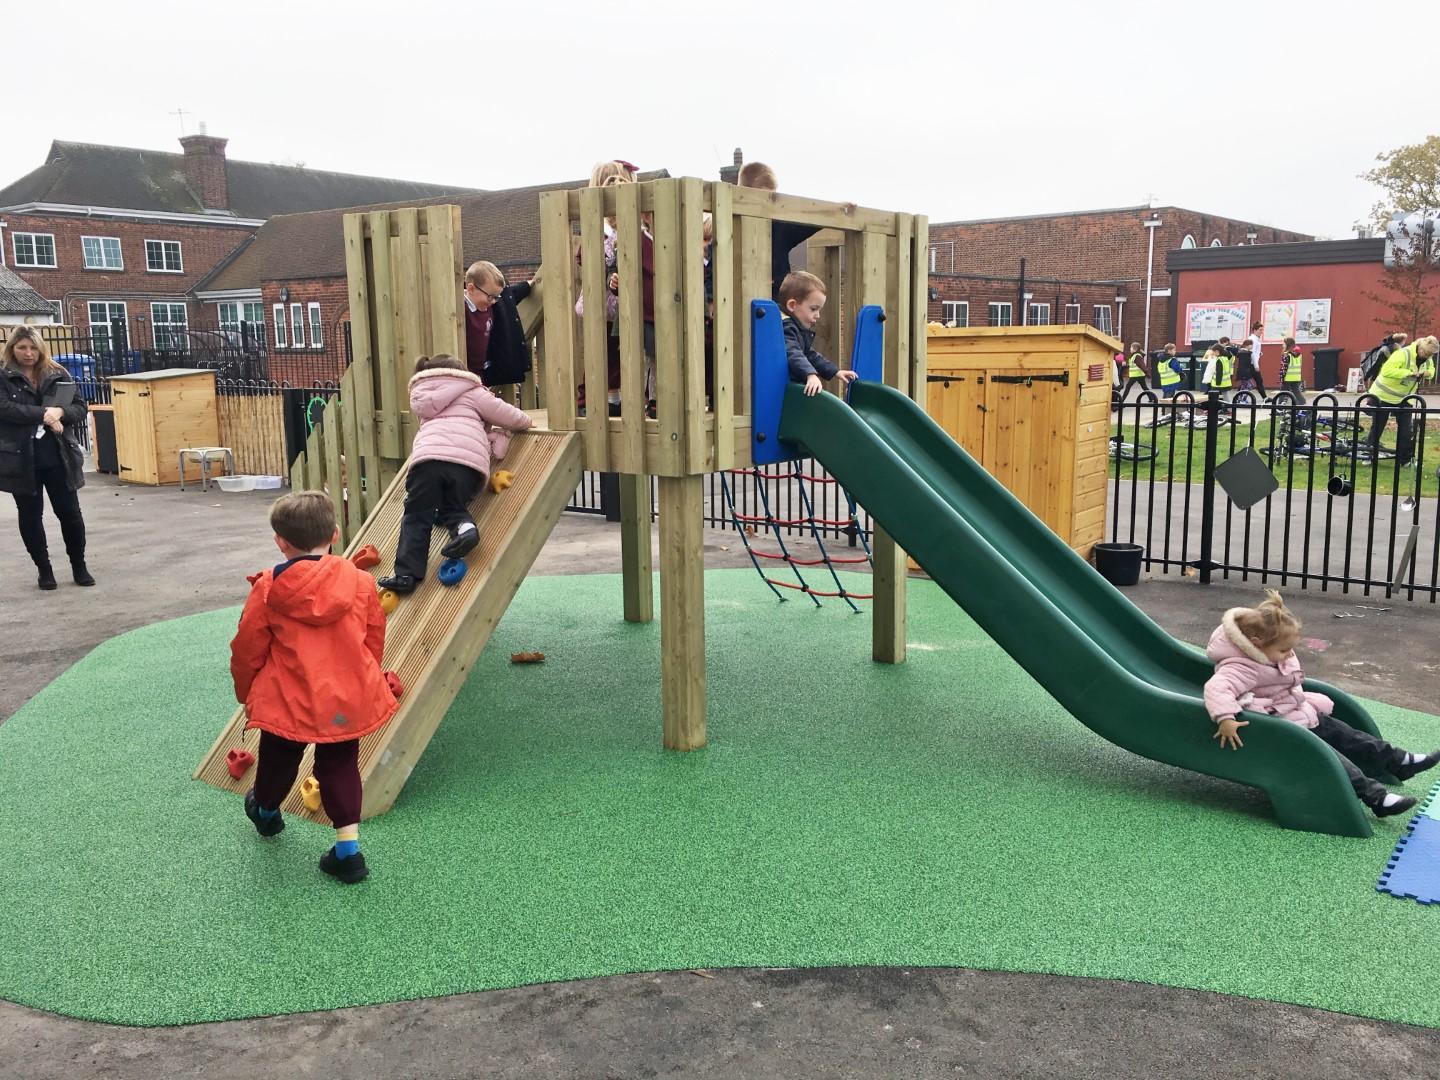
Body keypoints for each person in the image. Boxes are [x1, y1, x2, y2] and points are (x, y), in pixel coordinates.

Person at [230, 491, 399, 883]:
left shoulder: (270, 587)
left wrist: (247, 691)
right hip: (343, 698)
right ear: (336, 534)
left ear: (280, 541)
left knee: (278, 758)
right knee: (340, 764)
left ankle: (267, 812)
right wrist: (365, 677)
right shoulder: (360, 582)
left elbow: (248, 646)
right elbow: (373, 637)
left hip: (288, 697)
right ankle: (348, 852)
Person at [1205, 589, 1437, 819]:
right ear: (1256, 643)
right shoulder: (1241, 666)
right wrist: (1226, 718)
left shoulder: (1266, 653)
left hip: (1297, 713)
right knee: (1332, 757)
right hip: (1281, 730)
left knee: (1347, 734)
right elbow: (1216, 688)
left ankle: (1398, 761)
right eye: (1283, 650)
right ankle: (1376, 797)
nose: (1288, 655)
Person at [378, 354, 533, 594]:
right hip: (467, 465)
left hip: (427, 462)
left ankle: (406, 575)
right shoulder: (473, 391)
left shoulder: (421, 396)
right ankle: (465, 529)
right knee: (453, 506)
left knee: (417, 514)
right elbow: (508, 415)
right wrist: (526, 422)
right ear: (460, 373)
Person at [0, 326, 93, 590]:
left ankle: (79, 564)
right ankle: (44, 569)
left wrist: (61, 413)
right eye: (22, 348)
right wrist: (44, 414)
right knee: (30, 516)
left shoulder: (56, 372)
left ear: (41, 348)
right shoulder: (3, 376)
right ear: (12, 349)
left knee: (71, 513)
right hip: (21, 459)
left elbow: (79, 406)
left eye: (33, 348)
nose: (28, 353)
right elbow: (5, 409)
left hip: (58, 456)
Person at [779, 271, 859, 397]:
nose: (818, 315)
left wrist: (835, 371)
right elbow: (793, 353)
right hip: (781, 391)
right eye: (813, 309)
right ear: (792, 305)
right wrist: (810, 374)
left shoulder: (797, 328)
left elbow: (809, 354)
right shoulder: (785, 328)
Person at [1363, 334, 1437, 465]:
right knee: (1378, 426)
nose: (1426, 357)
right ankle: (1369, 455)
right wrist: (1408, 373)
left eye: (1429, 355)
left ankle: (1405, 459)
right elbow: (1387, 371)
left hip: (1404, 398)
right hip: (1383, 395)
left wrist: (1427, 373)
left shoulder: (1427, 358)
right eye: (1425, 353)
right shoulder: (1403, 354)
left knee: (1406, 430)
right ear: (1420, 348)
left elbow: (1431, 370)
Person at [463, 260, 534, 388]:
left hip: (482, 374)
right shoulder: (462, 310)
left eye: (497, 297)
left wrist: (528, 285)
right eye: (490, 297)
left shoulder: (489, 305)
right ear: (471, 288)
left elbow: (511, 295)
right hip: (465, 374)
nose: (494, 302)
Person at [1243, 321, 1269, 399]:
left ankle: (1265, 398)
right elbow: (1252, 353)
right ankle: (1264, 398)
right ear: (1254, 330)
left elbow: (1254, 351)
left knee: (1255, 381)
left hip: (1252, 364)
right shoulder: (1253, 339)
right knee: (1256, 381)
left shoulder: (1255, 339)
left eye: (1262, 330)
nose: (1262, 332)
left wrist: (1259, 353)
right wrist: (1256, 366)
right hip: (1251, 364)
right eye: (1260, 330)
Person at [1278, 337, 1306, 403]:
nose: (1282, 345)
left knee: (1283, 393)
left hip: (1287, 377)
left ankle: (1279, 408)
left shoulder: (1286, 355)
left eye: (1284, 344)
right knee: (1296, 392)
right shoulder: (1299, 355)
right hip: (1296, 377)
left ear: (1288, 344)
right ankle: (1302, 404)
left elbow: (1284, 367)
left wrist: (1281, 377)